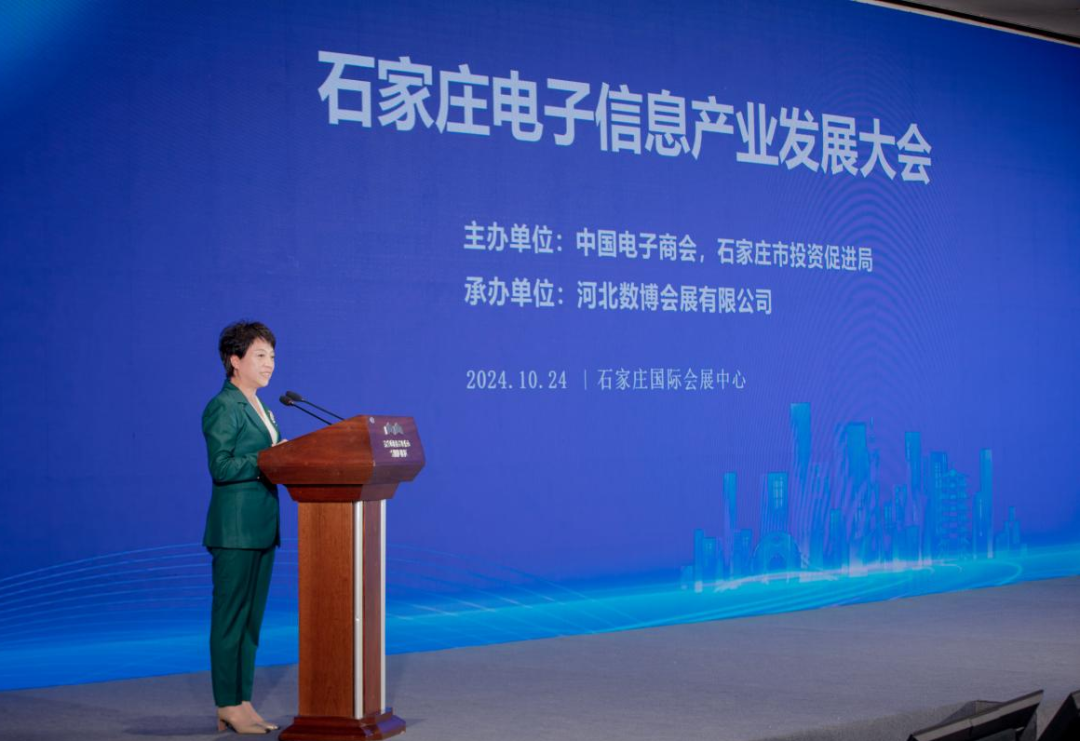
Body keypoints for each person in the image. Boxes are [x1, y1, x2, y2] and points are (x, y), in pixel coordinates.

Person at [202, 321, 282, 735]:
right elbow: (221, 466)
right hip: (234, 531)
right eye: (260, 356)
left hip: (262, 528)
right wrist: (269, 460)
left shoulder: (261, 407)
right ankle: (226, 703)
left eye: (272, 356)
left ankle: (243, 701)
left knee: (251, 622)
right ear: (235, 360)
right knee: (230, 620)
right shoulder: (224, 405)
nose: (269, 364)